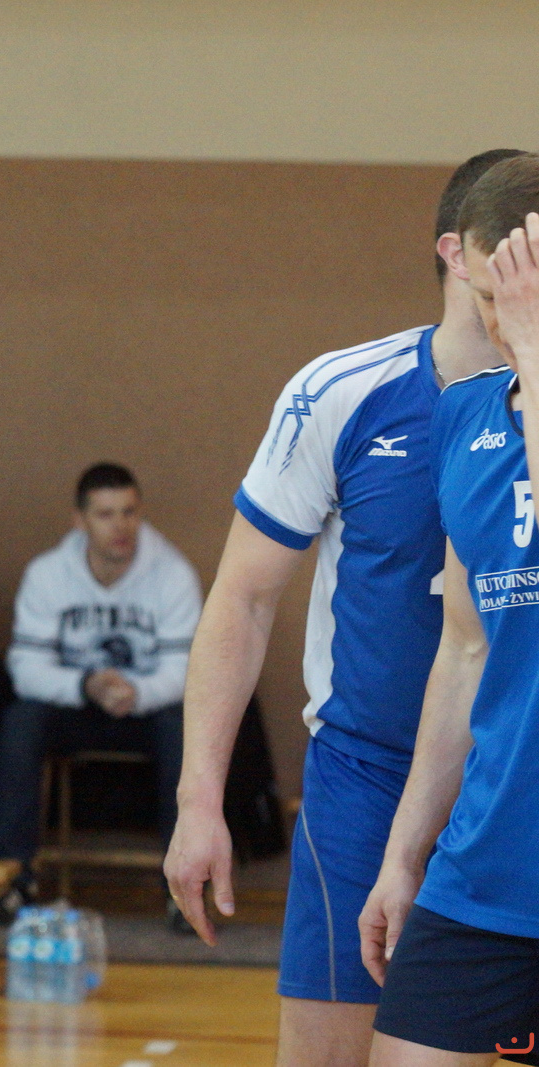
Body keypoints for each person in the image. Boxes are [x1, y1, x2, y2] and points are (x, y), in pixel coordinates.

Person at [163, 149, 519, 1067]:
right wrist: (200, 797)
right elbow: (243, 599)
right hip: (369, 772)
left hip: (513, 783)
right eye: (512, 251)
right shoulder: (344, 392)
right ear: (456, 251)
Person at [361, 157, 539, 1066]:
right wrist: (405, 856)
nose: (506, 319)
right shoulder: (466, 417)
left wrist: (535, 352)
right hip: (486, 865)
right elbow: (464, 652)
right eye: (494, 296)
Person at [0, 463, 201, 920]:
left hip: (147, 708)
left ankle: (184, 889)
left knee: (188, 729)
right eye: (105, 514)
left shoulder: (173, 574)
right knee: (21, 720)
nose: (120, 526)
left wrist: (135, 691)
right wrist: (86, 685)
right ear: (80, 520)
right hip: (76, 705)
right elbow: (24, 669)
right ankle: (11, 882)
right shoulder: (47, 574)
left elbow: (189, 670)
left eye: (129, 512)